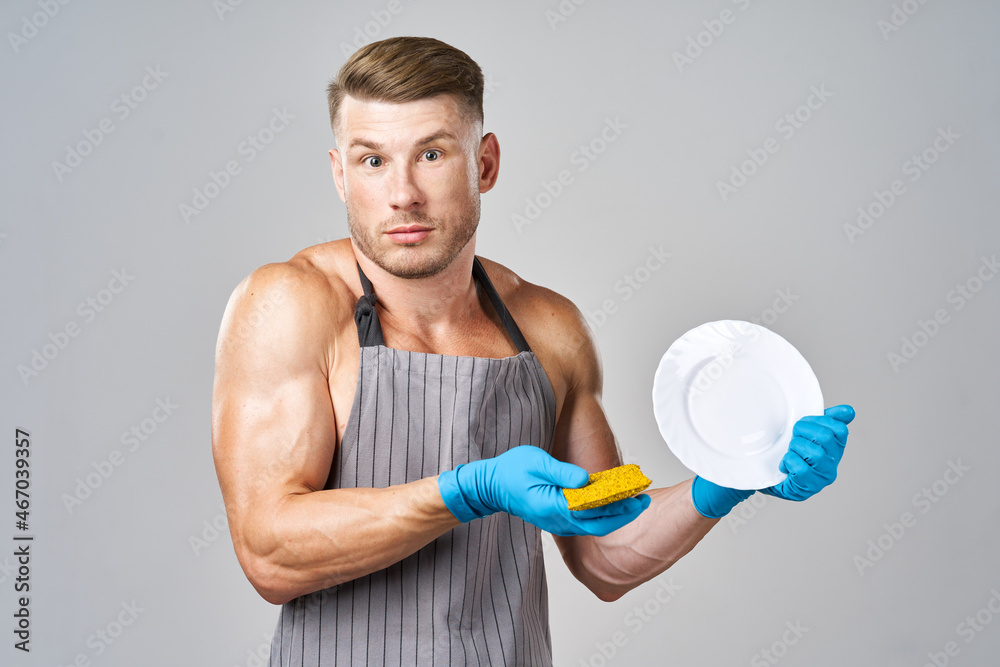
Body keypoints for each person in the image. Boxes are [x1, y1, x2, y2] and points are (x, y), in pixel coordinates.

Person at [211, 36, 855, 666]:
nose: (402, 193)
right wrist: (469, 490)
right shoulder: (289, 306)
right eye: (372, 160)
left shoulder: (547, 326)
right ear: (339, 174)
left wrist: (726, 479)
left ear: (484, 163)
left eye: (431, 154)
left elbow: (605, 550)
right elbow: (270, 556)